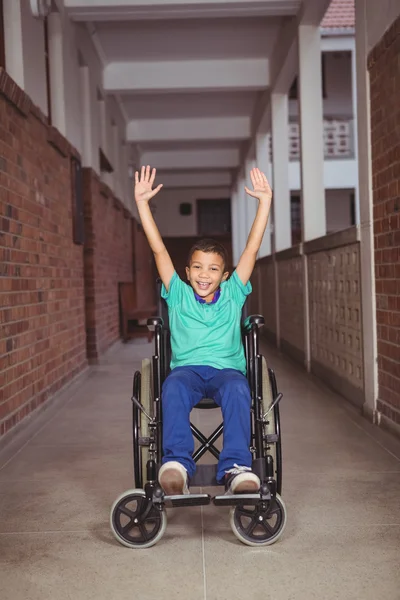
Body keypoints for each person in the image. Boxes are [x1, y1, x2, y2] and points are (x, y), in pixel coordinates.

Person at [134, 165, 272, 495]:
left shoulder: (235, 291)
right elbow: (158, 250)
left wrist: (264, 202)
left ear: (225, 275)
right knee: (172, 388)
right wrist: (142, 204)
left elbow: (251, 250)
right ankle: (178, 464)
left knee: (240, 391)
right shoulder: (179, 294)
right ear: (187, 271)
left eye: (212, 268)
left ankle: (236, 467)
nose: (204, 274)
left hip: (227, 372)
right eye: (197, 267)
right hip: (188, 371)